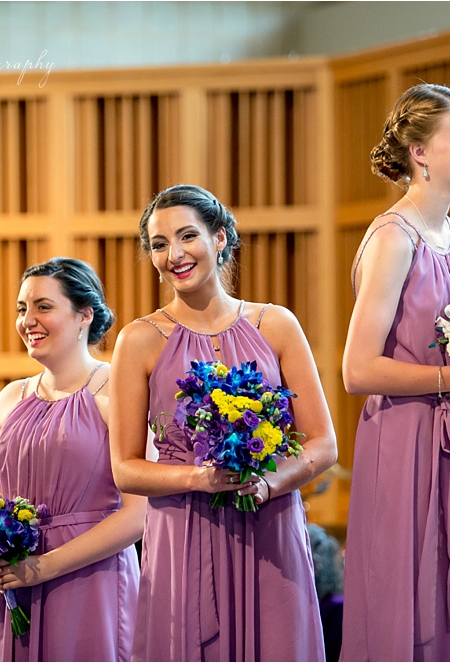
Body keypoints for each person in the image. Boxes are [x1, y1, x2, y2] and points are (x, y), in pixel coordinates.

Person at [109, 184, 337, 661]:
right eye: (158, 244)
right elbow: (126, 468)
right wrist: (202, 479)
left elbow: (323, 443)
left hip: (270, 527)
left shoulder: (276, 324)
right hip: (182, 534)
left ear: (220, 237)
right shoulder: (138, 340)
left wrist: (268, 483)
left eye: (187, 236)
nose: (174, 254)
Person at [340, 83, 450, 660]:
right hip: (401, 439)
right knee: (404, 594)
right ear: (420, 152)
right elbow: (357, 369)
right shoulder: (392, 238)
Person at [0, 258, 143, 662]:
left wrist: (45, 567)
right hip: (14, 585)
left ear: (85, 314)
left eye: (43, 306)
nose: (28, 320)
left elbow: (140, 515)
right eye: (22, 308)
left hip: (92, 582)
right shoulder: (9, 398)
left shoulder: (117, 390)